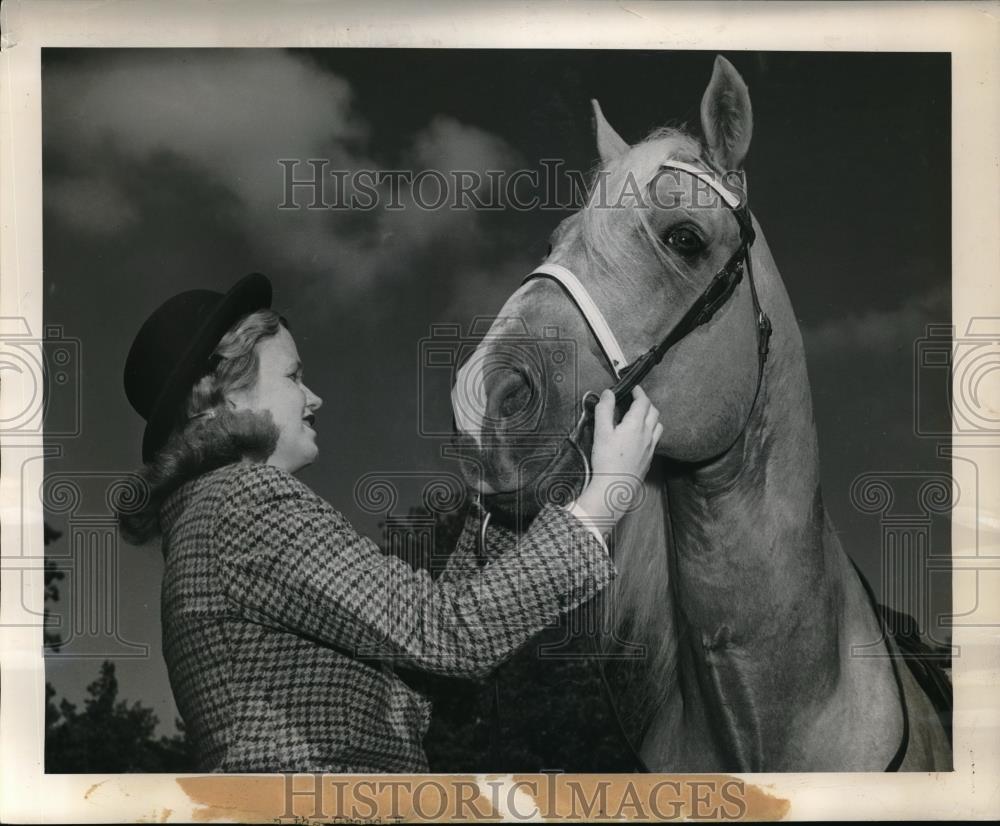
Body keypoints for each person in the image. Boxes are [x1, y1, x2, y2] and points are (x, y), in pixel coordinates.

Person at [117, 273, 662, 773]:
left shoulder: (207, 518)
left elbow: (425, 659)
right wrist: (601, 502)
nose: (314, 398)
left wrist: (490, 503)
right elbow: (453, 632)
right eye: (293, 376)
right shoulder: (247, 502)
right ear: (223, 395)